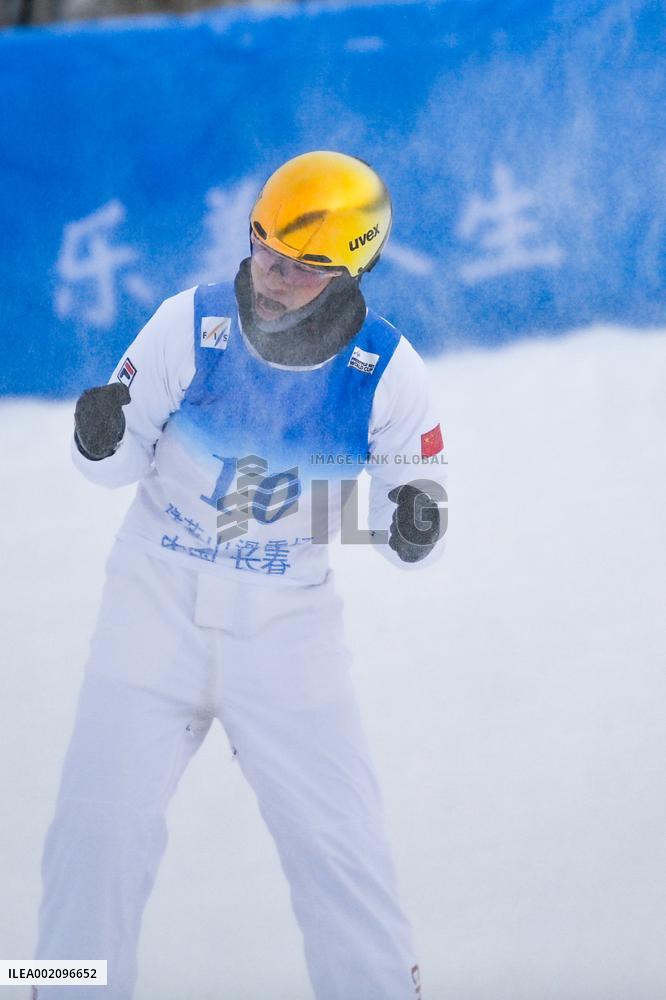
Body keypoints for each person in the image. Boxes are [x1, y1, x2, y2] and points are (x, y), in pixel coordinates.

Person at [33, 150, 447, 999]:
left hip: (288, 624)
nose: (272, 276)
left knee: (342, 849)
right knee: (93, 838)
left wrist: (414, 523)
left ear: (352, 270)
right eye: (263, 248)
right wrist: (98, 436)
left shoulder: (387, 371)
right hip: (154, 602)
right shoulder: (188, 325)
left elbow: (406, 518)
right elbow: (115, 464)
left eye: (300, 266)